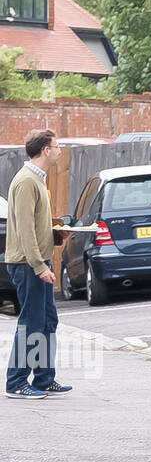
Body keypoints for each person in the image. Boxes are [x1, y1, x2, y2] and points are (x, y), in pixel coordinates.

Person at [5, 128, 70, 400]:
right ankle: (16, 381)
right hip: (27, 264)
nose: (59, 151)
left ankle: (44, 378)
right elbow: (24, 231)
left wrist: (56, 236)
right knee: (31, 323)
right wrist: (39, 266)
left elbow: (37, 225)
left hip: (38, 261)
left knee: (48, 321)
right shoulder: (26, 182)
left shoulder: (38, 180)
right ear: (45, 150)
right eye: (56, 146)